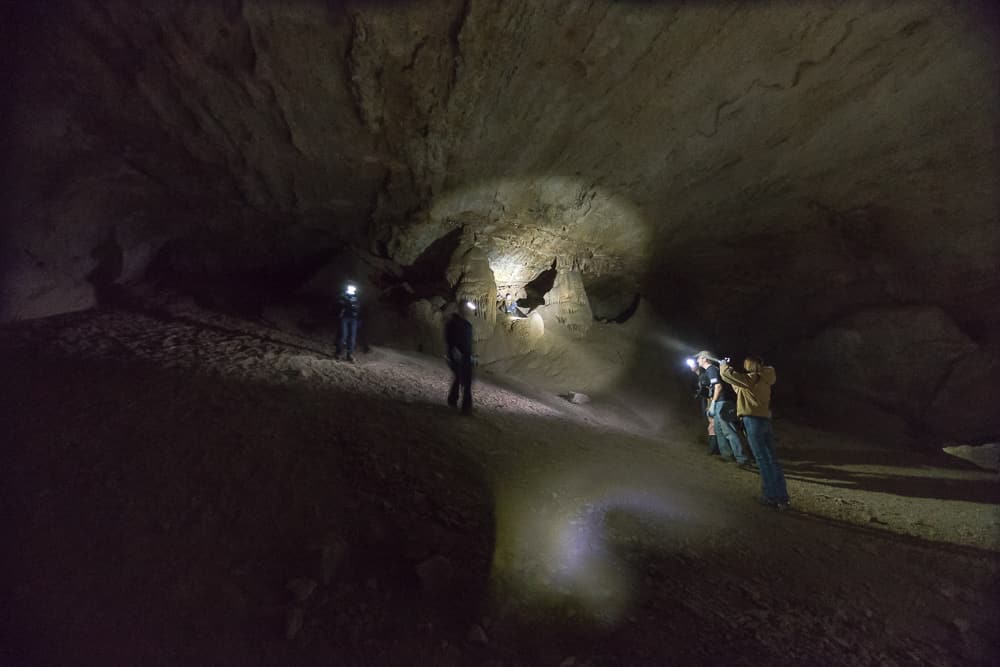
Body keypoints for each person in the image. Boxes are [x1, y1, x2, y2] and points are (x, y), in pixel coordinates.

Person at [721, 356, 790, 510]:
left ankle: (770, 496)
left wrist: (724, 365)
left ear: (750, 365)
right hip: (765, 421)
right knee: (772, 459)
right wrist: (733, 379)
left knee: (762, 459)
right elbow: (740, 388)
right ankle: (782, 497)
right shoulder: (765, 378)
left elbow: (727, 375)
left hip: (752, 421)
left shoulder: (751, 378)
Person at [697, 351, 750, 468]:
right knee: (719, 430)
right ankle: (727, 456)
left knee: (728, 430)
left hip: (722, 402)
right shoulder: (710, 370)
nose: (697, 361)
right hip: (720, 402)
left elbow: (718, 386)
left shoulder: (712, 370)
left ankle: (742, 459)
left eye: (699, 358)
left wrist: (713, 403)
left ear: (705, 359)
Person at [444, 301, 475, 414]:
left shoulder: (467, 325)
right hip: (456, 355)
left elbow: (468, 342)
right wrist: (453, 349)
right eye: (467, 309)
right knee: (461, 377)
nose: (469, 312)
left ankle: (457, 402)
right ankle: (463, 404)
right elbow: (449, 338)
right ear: (462, 309)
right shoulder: (452, 323)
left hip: (466, 356)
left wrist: (471, 355)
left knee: (465, 379)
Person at [690, 360, 719, 455]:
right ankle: (713, 446)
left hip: (709, 400)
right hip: (706, 400)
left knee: (712, 423)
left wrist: (711, 401)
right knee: (710, 423)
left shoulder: (705, 375)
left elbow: (710, 388)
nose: (691, 366)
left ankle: (714, 448)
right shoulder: (700, 376)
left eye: (693, 364)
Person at [335, 282, 361, 362]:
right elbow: (338, 302)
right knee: (343, 335)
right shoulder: (343, 295)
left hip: (354, 319)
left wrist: (359, 318)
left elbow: (359, 307)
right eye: (350, 287)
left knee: (352, 338)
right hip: (344, 318)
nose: (352, 289)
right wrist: (344, 302)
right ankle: (338, 353)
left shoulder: (357, 296)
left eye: (353, 287)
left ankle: (349, 355)